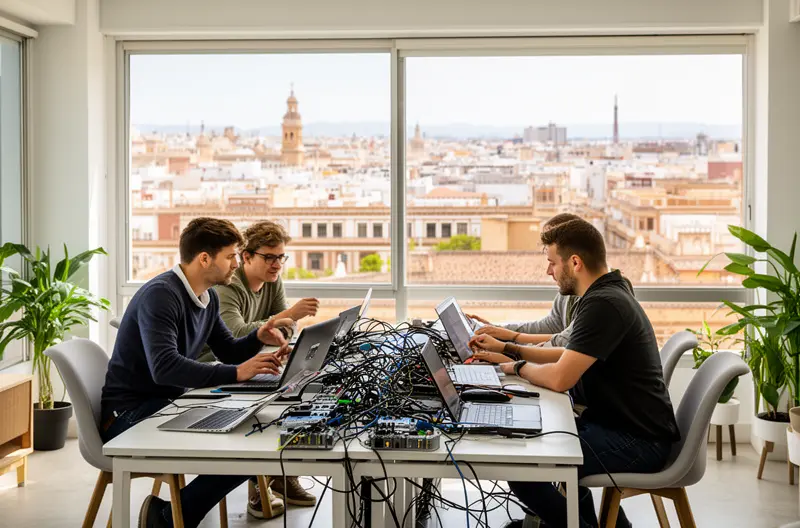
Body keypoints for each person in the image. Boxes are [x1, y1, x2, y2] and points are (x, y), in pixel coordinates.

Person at [101, 217, 293, 528]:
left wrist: (258, 338)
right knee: (247, 446)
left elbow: (228, 351)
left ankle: (170, 516)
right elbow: (164, 368)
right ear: (205, 258)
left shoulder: (208, 296)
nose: (236, 264)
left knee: (250, 437)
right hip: (130, 416)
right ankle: (168, 519)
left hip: (166, 404)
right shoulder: (161, 295)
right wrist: (236, 374)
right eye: (231, 256)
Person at [495, 218, 680, 528]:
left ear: (575, 262)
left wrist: (514, 367)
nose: (548, 271)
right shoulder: (608, 291)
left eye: (552, 263)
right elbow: (566, 355)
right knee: (545, 443)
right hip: (622, 428)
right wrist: (510, 351)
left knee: (522, 464)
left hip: (639, 441)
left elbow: (560, 378)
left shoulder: (604, 304)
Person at [215, 220, 319, 517]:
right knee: (270, 407)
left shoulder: (273, 282)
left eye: (280, 257)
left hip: (255, 359)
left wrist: (283, 328)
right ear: (246, 257)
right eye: (269, 257)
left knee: (296, 393)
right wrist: (284, 317)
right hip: (217, 366)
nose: (276, 265)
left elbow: (288, 328)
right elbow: (235, 336)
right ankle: (263, 483)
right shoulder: (229, 286)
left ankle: (280, 477)